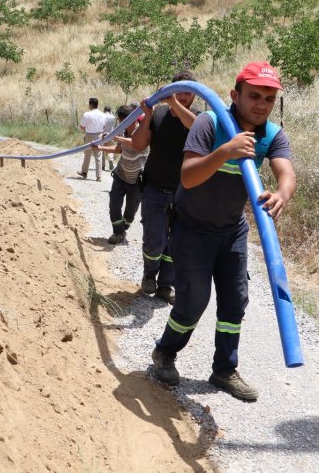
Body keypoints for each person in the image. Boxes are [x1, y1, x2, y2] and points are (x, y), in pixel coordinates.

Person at [150, 62, 297, 402]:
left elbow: (286, 172)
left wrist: (281, 193)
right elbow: (188, 176)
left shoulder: (271, 134)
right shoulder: (210, 122)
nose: (261, 104)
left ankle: (224, 369)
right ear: (235, 95)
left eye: (269, 98)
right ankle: (165, 352)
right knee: (193, 301)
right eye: (254, 96)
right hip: (192, 229)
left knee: (235, 301)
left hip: (232, 231)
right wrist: (225, 152)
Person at [132, 70, 199, 304]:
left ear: (195, 95)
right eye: (178, 90)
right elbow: (139, 145)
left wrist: (173, 103)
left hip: (185, 193)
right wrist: (147, 116)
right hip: (154, 189)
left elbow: (195, 127)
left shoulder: (200, 118)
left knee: (177, 242)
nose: (182, 96)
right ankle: (149, 274)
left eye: (188, 92)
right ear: (170, 90)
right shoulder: (158, 114)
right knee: (154, 239)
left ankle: (166, 285)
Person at [96, 104, 149, 245]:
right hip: (121, 175)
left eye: (124, 121)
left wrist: (114, 137)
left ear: (133, 119)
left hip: (137, 179)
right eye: (121, 122)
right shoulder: (121, 132)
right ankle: (118, 232)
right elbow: (119, 149)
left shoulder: (142, 131)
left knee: (130, 211)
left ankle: (122, 229)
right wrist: (101, 147)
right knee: (114, 204)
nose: (122, 124)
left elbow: (137, 144)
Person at [78, 97, 106, 181]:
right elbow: (104, 125)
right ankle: (99, 176)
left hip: (89, 134)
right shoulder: (102, 114)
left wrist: (84, 131)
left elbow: (82, 126)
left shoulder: (87, 114)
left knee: (87, 155)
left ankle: (84, 172)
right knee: (98, 155)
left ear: (90, 105)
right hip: (99, 135)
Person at [101, 106, 117, 171]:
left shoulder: (101, 115)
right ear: (110, 110)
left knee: (101, 150)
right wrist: (112, 113)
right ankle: (110, 160)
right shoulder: (113, 117)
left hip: (101, 135)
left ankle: (102, 166)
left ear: (104, 110)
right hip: (110, 135)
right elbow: (115, 125)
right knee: (110, 150)